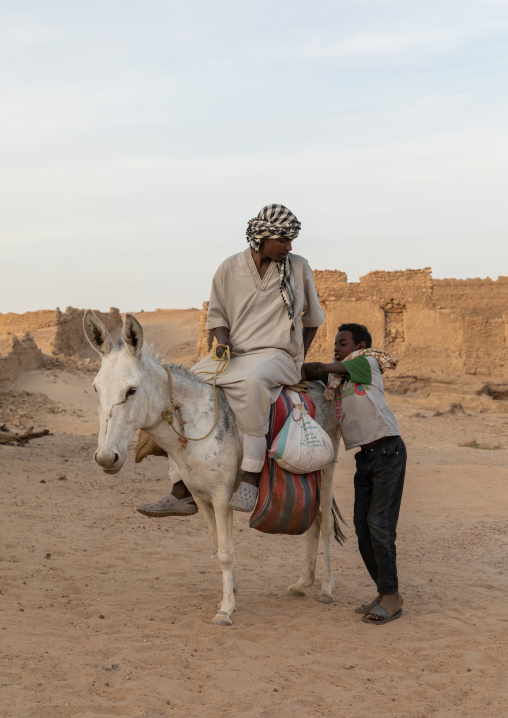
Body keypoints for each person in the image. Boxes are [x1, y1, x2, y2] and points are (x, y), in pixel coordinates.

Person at [137, 203, 325, 516]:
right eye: (284, 240)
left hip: (276, 355)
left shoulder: (299, 266)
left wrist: (297, 356)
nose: (290, 246)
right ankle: (180, 488)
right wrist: (222, 344)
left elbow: (313, 319)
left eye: (293, 240)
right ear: (263, 238)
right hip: (234, 352)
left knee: (251, 384)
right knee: (179, 385)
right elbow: (217, 314)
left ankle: (250, 478)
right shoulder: (229, 267)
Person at [304, 323, 406, 625]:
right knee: (362, 526)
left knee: (379, 523)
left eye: (343, 342)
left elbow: (318, 367)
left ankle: (392, 596)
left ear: (359, 346)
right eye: (336, 343)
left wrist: (313, 366)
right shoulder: (339, 376)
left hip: (388, 452)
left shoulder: (365, 362)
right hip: (366, 457)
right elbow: (313, 373)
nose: (337, 347)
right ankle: (384, 591)